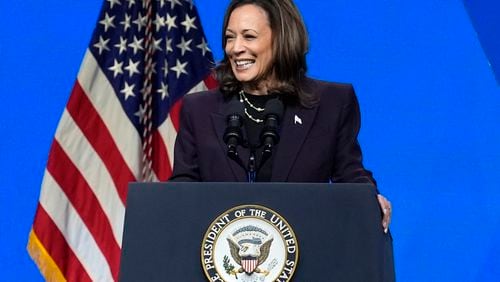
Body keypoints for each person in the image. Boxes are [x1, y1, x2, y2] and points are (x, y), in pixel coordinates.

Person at [170, 0, 392, 232]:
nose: (235, 48)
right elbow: (183, 186)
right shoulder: (199, 109)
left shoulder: (331, 103)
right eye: (229, 37)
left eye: (249, 36)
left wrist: (370, 199)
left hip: (306, 250)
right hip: (218, 255)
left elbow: (350, 172)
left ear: (281, 39)